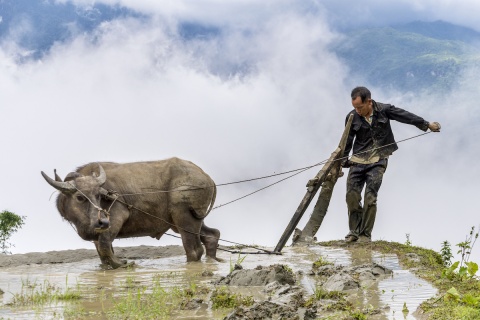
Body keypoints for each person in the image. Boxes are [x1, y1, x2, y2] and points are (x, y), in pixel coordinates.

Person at [342, 86, 440, 243]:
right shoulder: (352, 117)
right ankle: (354, 231)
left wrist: (427, 124)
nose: (358, 111)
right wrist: (342, 161)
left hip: (378, 160)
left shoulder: (384, 110)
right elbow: (346, 140)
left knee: (370, 197)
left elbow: (405, 116)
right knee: (351, 196)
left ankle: (365, 235)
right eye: (355, 108)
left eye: (360, 107)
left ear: (369, 102)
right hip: (358, 160)